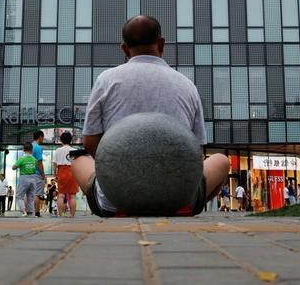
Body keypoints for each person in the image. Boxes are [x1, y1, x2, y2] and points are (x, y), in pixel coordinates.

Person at [70, 15, 230, 217]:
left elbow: (90, 141)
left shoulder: (106, 80)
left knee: (77, 161)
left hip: (117, 198)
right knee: (221, 161)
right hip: (176, 196)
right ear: (162, 43)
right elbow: (195, 150)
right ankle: (185, 207)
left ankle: (114, 206)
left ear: (124, 49)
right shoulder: (187, 85)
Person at [53, 131, 79, 217]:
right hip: (72, 172)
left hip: (61, 172)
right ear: (71, 140)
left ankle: (60, 214)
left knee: (61, 195)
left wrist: (55, 174)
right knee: (72, 196)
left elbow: (54, 164)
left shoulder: (58, 150)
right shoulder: (75, 151)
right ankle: (72, 214)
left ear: (61, 140)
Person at [12, 142, 39, 216]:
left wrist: (19, 166)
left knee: (19, 196)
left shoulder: (22, 159)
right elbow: (36, 167)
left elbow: (13, 167)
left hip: (24, 178)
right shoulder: (34, 159)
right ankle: (31, 212)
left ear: (23, 150)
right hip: (33, 178)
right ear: (32, 150)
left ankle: (23, 211)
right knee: (31, 197)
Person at [31, 130, 47, 217]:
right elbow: (39, 163)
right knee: (37, 194)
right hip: (36, 174)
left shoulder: (29, 146)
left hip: (27, 173)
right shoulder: (38, 148)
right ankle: (37, 213)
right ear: (40, 137)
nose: (43, 139)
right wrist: (43, 175)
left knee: (29, 193)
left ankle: (28, 212)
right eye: (43, 137)